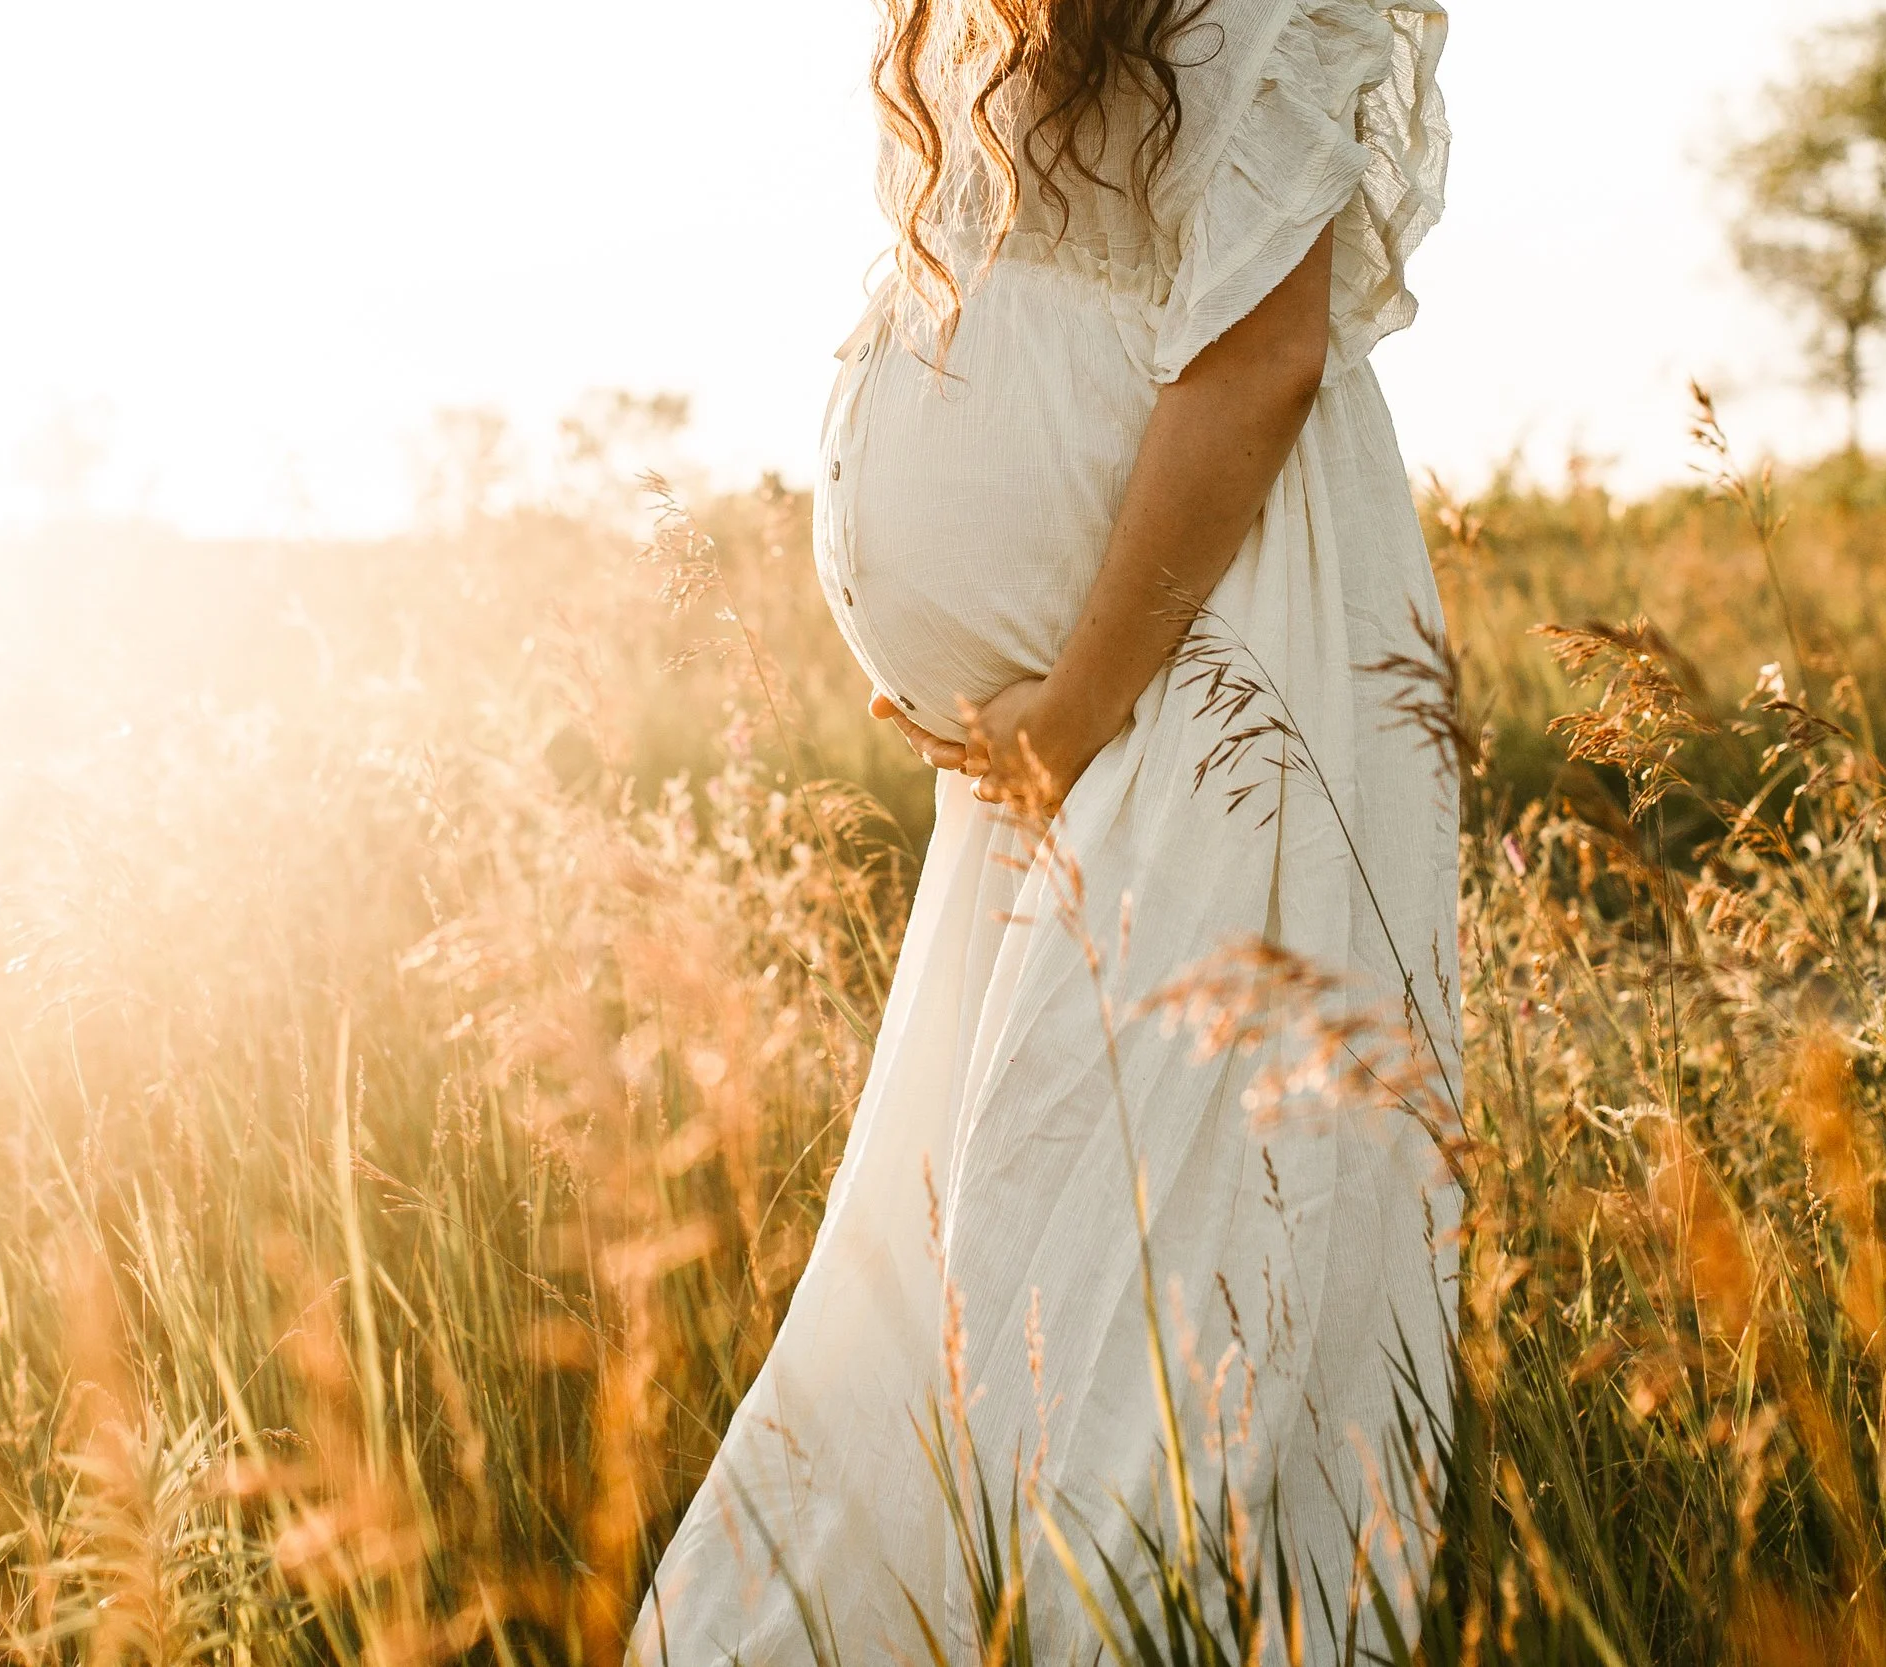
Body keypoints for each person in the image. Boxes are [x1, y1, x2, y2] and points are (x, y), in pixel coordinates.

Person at [637, 0, 1456, 1657]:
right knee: (978, 1232)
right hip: (1067, 734)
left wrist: (1074, 705)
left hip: (1198, 675)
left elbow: (1264, 352)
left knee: (1142, 1250)